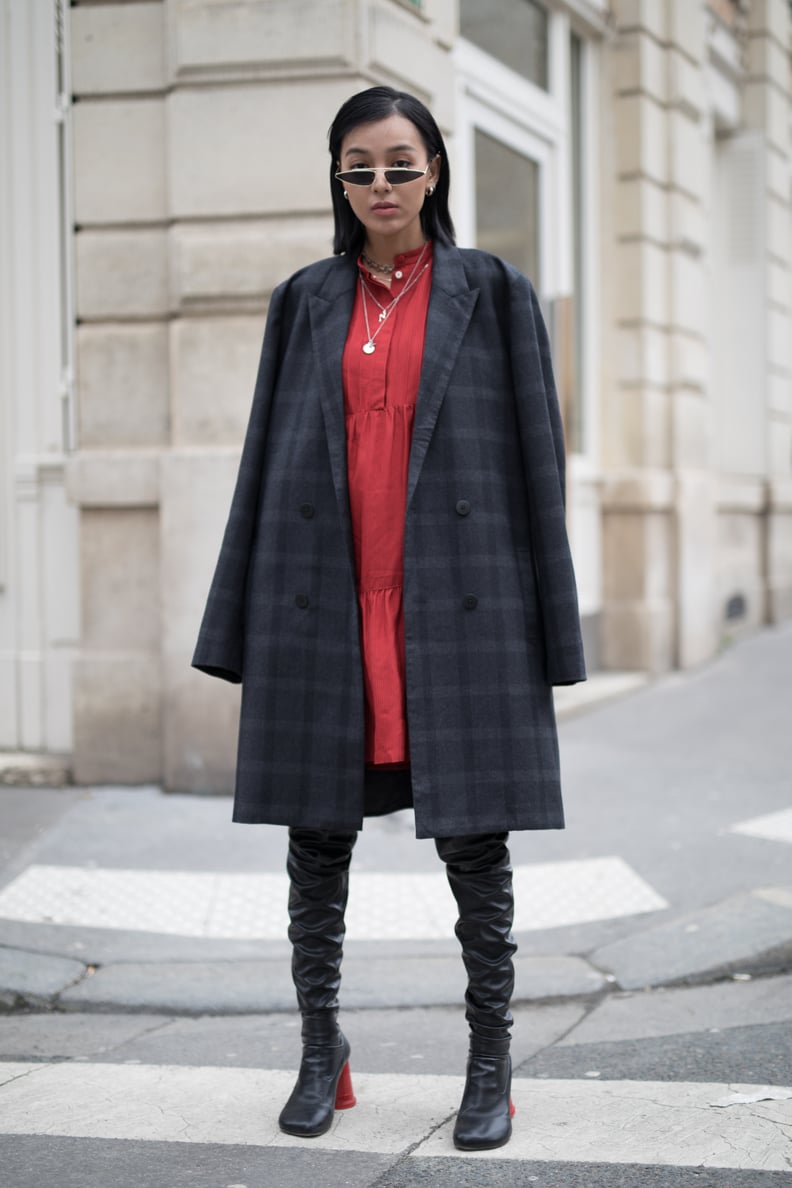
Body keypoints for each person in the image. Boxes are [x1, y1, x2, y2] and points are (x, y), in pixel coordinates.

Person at [192, 85, 586, 1152]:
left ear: (435, 171)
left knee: (474, 846)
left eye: (399, 165)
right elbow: (262, 465)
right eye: (359, 167)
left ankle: (490, 1066)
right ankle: (323, 1052)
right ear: (337, 178)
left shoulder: (494, 291)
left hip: (457, 605)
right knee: (315, 841)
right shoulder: (304, 299)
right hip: (322, 600)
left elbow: (537, 471)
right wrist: (236, 625)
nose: (380, 185)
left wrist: (555, 629)